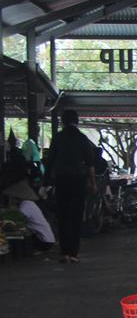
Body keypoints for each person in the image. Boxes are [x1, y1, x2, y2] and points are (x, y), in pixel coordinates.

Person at [46, 109, 96, 264]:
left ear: (62, 121)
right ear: (77, 121)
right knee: (76, 216)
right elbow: (90, 164)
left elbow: (50, 162)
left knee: (62, 216)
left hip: (62, 181)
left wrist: (46, 180)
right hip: (78, 182)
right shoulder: (82, 138)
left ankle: (64, 253)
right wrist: (93, 183)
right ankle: (73, 253)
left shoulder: (58, 138)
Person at [2, 180, 55, 251]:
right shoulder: (28, 203)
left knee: (12, 229)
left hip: (43, 241)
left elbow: (17, 220)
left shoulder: (26, 205)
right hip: (45, 240)